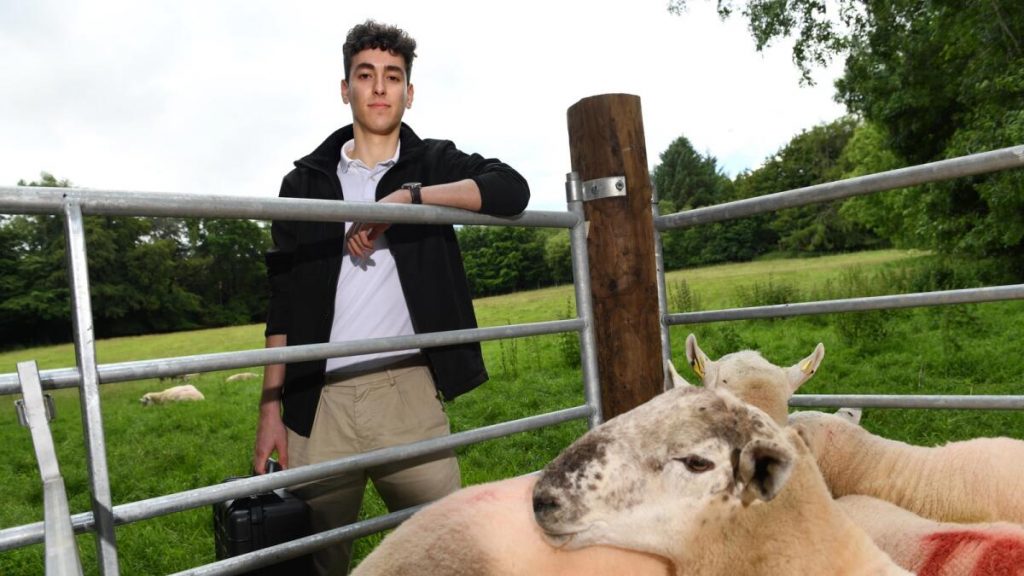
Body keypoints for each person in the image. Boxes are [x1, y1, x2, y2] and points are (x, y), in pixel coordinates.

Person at [252, 19, 530, 575]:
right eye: (366, 75)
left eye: (393, 76)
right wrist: (269, 410)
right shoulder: (303, 183)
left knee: (450, 556)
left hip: (407, 392)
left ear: (409, 91)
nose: (380, 87)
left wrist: (409, 199)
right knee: (317, 562)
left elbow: (512, 189)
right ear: (345, 88)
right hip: (317, 403)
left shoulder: (431, 162)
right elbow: (281, 303)